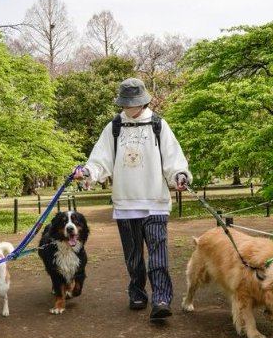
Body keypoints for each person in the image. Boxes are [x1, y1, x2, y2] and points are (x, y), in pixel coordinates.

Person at [74, 77, 192, 320]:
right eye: (126, 104)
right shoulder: (114, 127)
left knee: (158, 254)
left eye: (134, 103)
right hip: (126, 203)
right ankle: (137, 292)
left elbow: (173, 159)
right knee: (133, 256)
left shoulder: (159, 125)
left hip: (155, 201)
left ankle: (161, 298)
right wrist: (87, 172)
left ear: (144, 101)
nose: (130, 108)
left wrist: (179, 175)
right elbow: (100, 160)